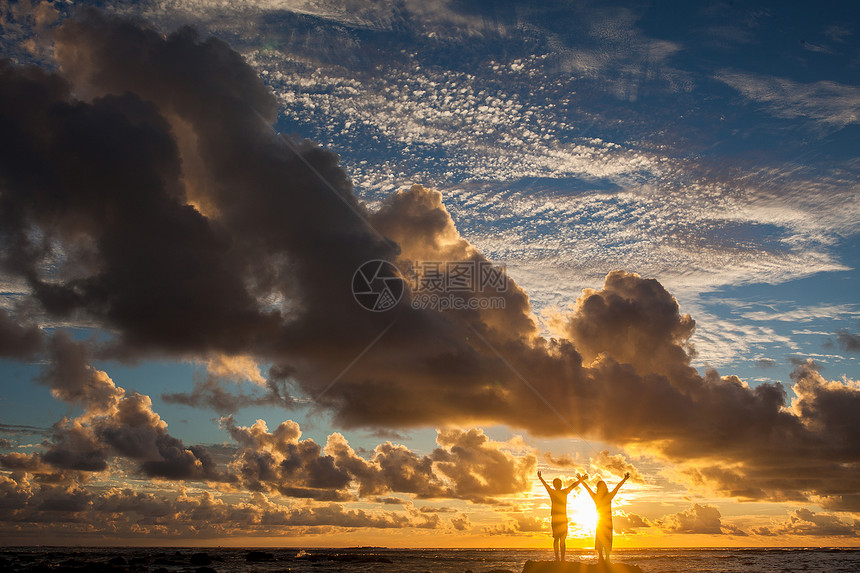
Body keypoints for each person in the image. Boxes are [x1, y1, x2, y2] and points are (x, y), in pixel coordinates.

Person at [579, 472, 629, 566]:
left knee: (607, 541)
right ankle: (601, 559)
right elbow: (588, 489)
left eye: (603, 486)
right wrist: (581, 481)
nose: (602, 488)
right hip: (600, 522)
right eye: (600, 487)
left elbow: (617, 487)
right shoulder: (596, 497)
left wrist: (624, 479)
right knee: (600, 541)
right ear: (598, 488)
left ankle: (607, 559)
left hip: (607, 522)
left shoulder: (608, 496)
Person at [538, 470, 584, 562]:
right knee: (557, 539)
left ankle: (562, 558)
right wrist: (540, 478)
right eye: (558, 483)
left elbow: (573, 485)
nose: (559, 485)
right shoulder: (554, 492)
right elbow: (546, 486)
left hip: (562, 517)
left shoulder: (564, 492)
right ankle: (558, 558)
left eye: (560, 483)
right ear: (555, 485)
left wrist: (581, 480)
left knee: (562, 539)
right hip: (556, 518)